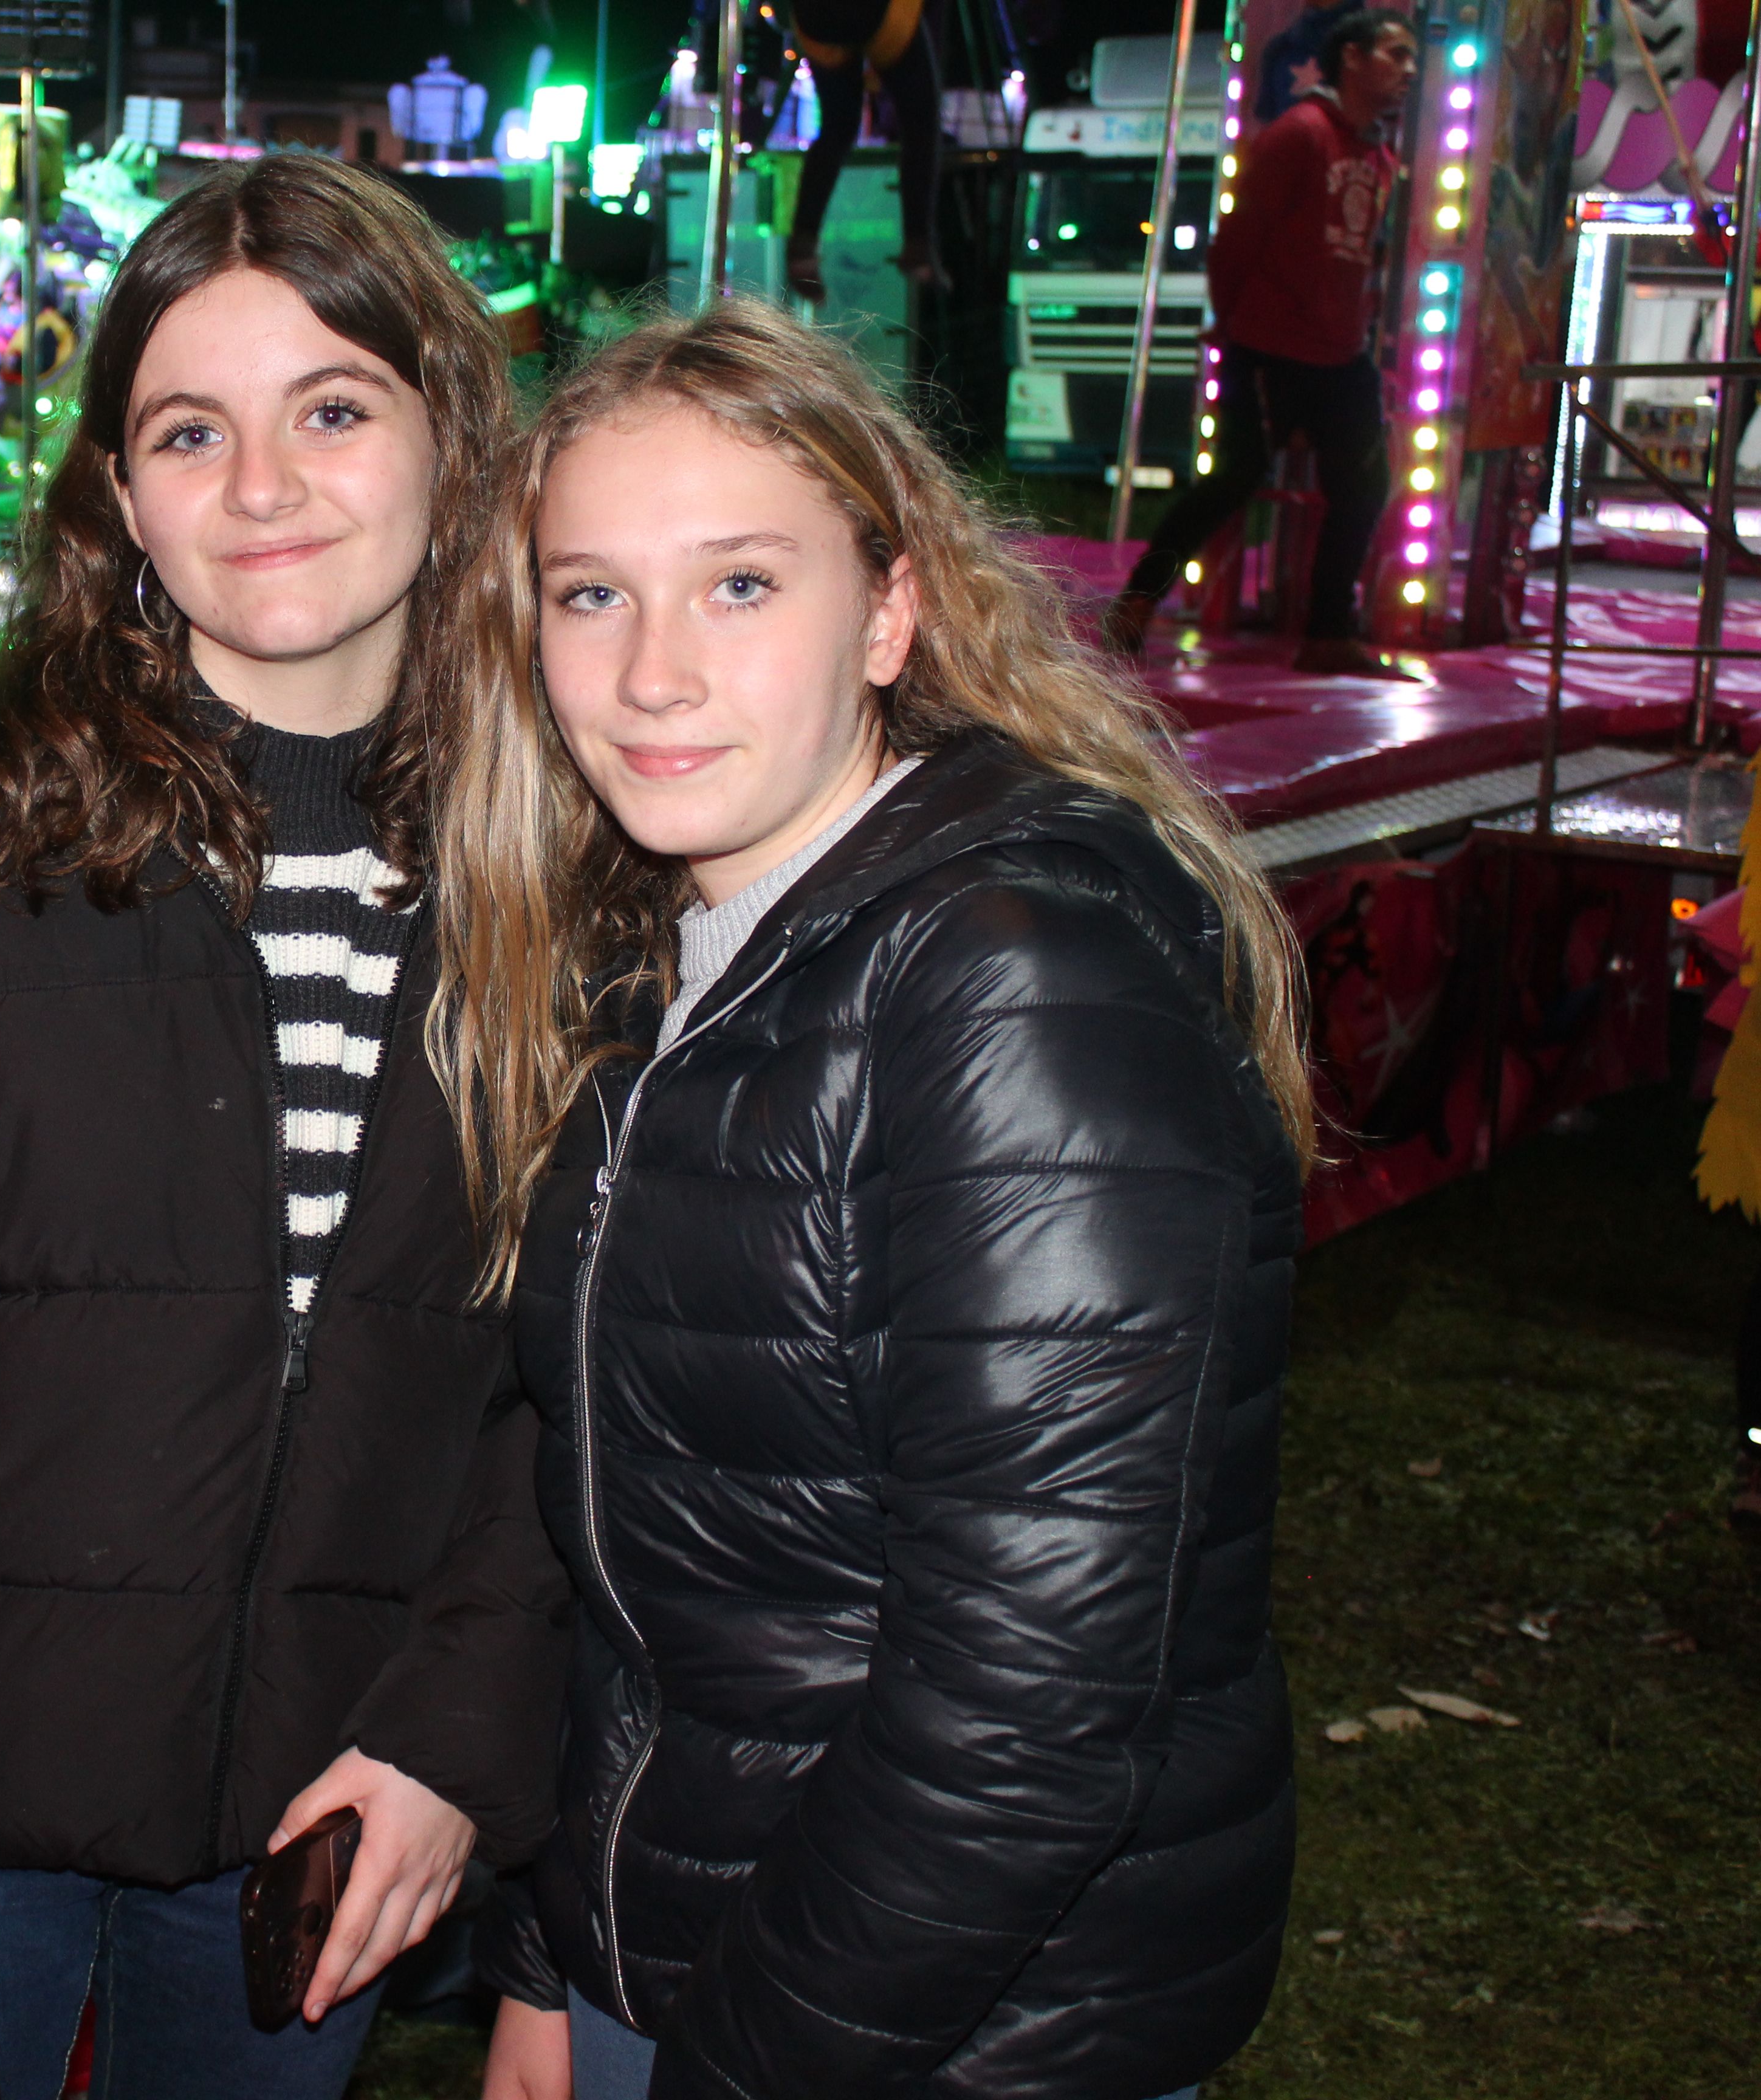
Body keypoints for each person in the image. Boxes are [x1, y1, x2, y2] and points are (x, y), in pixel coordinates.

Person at [0, 154, 569, 2100]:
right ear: (120, 497)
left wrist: (449, 1740)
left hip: (317, 1816)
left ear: (448, 443)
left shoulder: (562, 887)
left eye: (332, 408)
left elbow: (571, 1397)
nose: (264, 485)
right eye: (189, 429)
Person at [432, 301, 1305, 2100]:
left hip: (943, 2033)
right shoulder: (679, 964)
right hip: (690, 1964)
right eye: (593, 594)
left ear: (890, 611)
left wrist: (737, 2066)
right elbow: (651, 1571)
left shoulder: (1010, 983)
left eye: (742, 585)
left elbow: (1029, 1709)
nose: (652, 672)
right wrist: (557, 1949)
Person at [1101, 9, 1418, 679]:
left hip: (1341, 352)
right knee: (1232, 481)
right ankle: (1135, 602)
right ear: (1352, 59)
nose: (1407, 73)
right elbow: (1236, 243)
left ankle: (1330, 632)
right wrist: (1234, 324)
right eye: (1396, 55)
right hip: (1271, 345)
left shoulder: (1381, 157)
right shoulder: (1298, 136)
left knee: (1364, 486)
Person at [781, 0, 944, 302]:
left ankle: (802, 246)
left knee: (837, 127)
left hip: (818, 18)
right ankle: (918, 244)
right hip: (880, 14)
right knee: (920, 123)